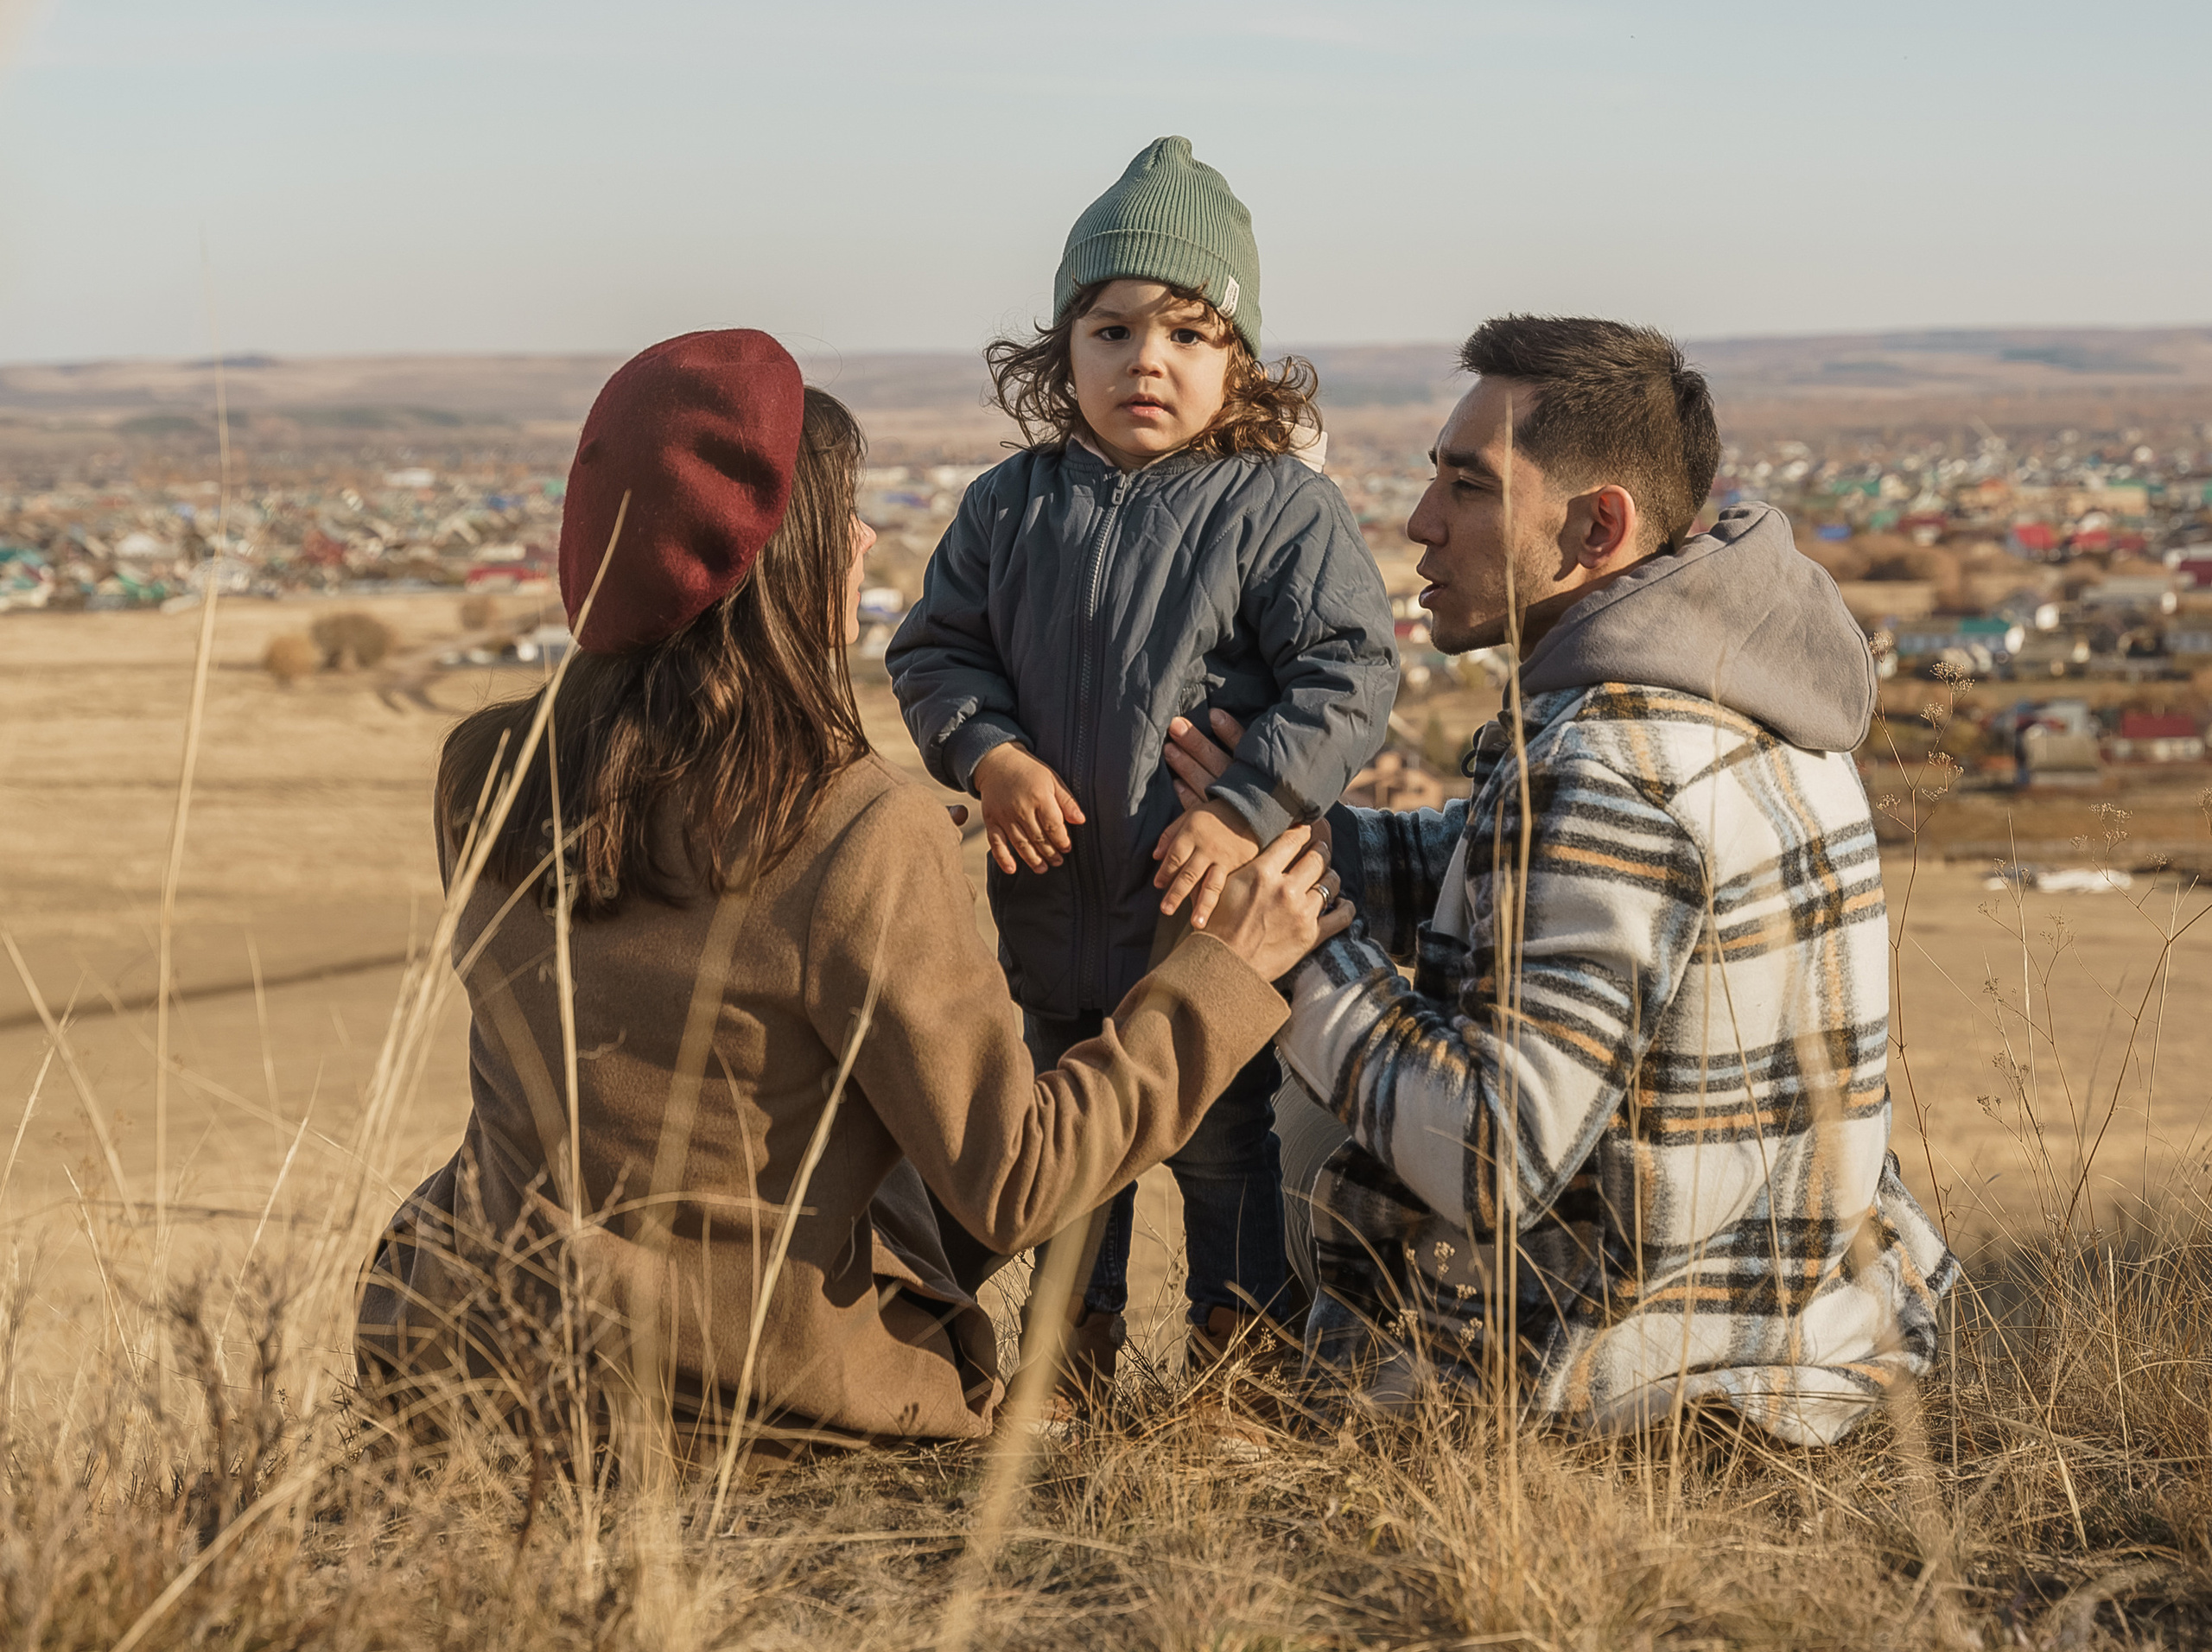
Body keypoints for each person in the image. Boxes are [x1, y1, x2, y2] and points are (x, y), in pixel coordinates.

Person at [353, 327, 1344, 1453]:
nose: (868, 539)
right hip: (758, 1404)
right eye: (843, 514)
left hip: (469, 1350)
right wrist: (1221, 972)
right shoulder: (853, 828)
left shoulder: (485, 770)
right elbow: (1018, 1183)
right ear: (771, 557)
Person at [1163, 313, 1961, 1447]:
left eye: (1468, 489)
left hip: (1639, 1380)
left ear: (1596, 525)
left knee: (1291, 1067)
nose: (1421, 524)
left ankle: (1254, 1371)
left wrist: (1295, 950)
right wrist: (1289, 836)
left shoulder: (1607, 776)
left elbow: (1490, 1159)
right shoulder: (1744, 688)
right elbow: (1500, 877)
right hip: (1811, 1320)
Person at [887, 137, 1397, 1401]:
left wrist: (1243, 807)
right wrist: (989, 755)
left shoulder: (1278, 509)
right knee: (1068, 1149)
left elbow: (1352, 675)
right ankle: (1067, 1370)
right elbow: (936, 651)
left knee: (1225, 1149)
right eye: (1110, 331)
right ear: (1063, 354)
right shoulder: (1010, 507)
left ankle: (1239, 1376)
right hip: (1054, 914)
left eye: (1188, 332)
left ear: (1241, 360)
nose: (1146, 361)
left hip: (1202, 924)